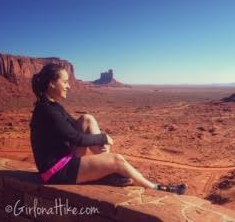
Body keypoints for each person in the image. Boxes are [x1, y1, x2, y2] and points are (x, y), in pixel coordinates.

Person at [29, 63, 186, 194]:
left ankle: (108, 171)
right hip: (56, 172)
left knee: (87, 119)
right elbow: (76, 138)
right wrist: (104, 138)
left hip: (63, 160)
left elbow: (74, 127)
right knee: (117, 160)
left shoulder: (52, 106)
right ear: (51, 83)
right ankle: (157, 188)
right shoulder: (47, 110)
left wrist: (97, 138)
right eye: (65, 82)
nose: (69, 86)